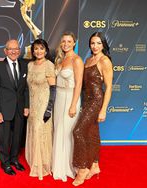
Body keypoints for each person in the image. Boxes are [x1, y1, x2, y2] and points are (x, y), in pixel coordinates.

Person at [72, 32, 113, 186]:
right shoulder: (88, 59)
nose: (95, 46)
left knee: (78, 131)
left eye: (98, 43)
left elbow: (108, 88)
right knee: (91, 133)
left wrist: (103, 110)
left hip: (97, 101)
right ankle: (95, 165)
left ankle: (82, 168)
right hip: (87, 100)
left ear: (103, 45)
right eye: (92, 43)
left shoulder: (105, 61)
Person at [0, 39, 29, 176]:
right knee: (4, 138)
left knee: (17, 137)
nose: (14, 51)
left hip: (19, 109)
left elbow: (25, 89)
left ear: (19, 50)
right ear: (5, 51)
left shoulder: (25, 65)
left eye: (16, 49)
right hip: (3, 109)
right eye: (10, 49)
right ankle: (5, 163)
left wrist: (26, 106)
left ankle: (14, 159)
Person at [52, 32, 84, 182]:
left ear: (74, 43)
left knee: (67, 133)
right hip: (58, 98)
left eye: (69, 41)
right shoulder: (61, 59)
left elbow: (78, 84)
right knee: (58, 130)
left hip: (70, 98)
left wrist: (73, 105)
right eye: (63, 41)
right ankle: (58, 165)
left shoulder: (77, 60)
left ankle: (67, 166)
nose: (66, 43)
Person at [25, 39, 56, 180]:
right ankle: (34, 162)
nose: (38, 51)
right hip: (32, 105)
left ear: (46, 50)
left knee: (40, 132)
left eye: (41, 48)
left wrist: (49, 109)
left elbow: (53, 89)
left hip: (44, 105)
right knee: (33, 131)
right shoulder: (30, 65)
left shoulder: (49, 65)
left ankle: (43, 164)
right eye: (36, 48)